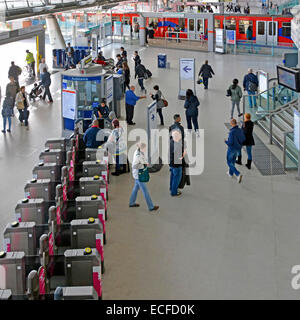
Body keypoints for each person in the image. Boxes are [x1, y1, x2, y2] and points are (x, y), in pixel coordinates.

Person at [129, 142, 159, 212]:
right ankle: (151, 207)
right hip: (139, 176)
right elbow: (135, 165)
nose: (146, 149)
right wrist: (144, 165)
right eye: (145, 148)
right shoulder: (138, 155)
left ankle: (131, 202)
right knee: (145, 191)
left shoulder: (139, 152)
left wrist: (145, 162)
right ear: (142, 148)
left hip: (137, 175)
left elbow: (142, 160)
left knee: (135, 189)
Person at [225, 118, 245, 183]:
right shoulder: (240, 130)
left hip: (231, 149)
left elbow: (230, 142)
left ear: (231, 124)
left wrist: (226, 141)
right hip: (237, 148)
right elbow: (243, 139)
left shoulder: (231, 132)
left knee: (229, 161)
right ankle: (230, 173)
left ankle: (238, 174)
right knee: (233, 160)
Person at [169, 130, 186, 197]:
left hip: (171, 162)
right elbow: (180, 157)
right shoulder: (177, 145)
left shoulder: (171, 141)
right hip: (177, 165)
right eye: (179, 136)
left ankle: (171, 188)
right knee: (177, 178)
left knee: (172, 176)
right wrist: (184, 153)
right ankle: (174, 192)